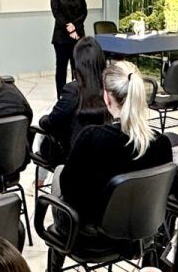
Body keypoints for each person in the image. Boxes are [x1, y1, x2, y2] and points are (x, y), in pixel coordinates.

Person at [56, 60, 172, 225]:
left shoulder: (91, 137)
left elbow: (68, 188)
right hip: (141, 229)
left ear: (107, 97)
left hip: (94, 232)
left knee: (59, 174)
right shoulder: (161, 143)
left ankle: (59, 248)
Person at [35, 36, 109, 175]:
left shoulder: (73, 90)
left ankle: (39, 181)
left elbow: (53, 121)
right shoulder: (109, 88)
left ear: (77, 62)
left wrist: (42, 120)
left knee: (41, 133)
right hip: (102, 153)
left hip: (70, 157)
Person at [50, 0, 88, 97]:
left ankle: (78, 94)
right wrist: (70, 29)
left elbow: (84, 13)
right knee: (61, 68)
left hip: (78, 36)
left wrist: (75, 27)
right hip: (61, 37)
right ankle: (61, 96)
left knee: (77, 67)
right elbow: (57, 14)